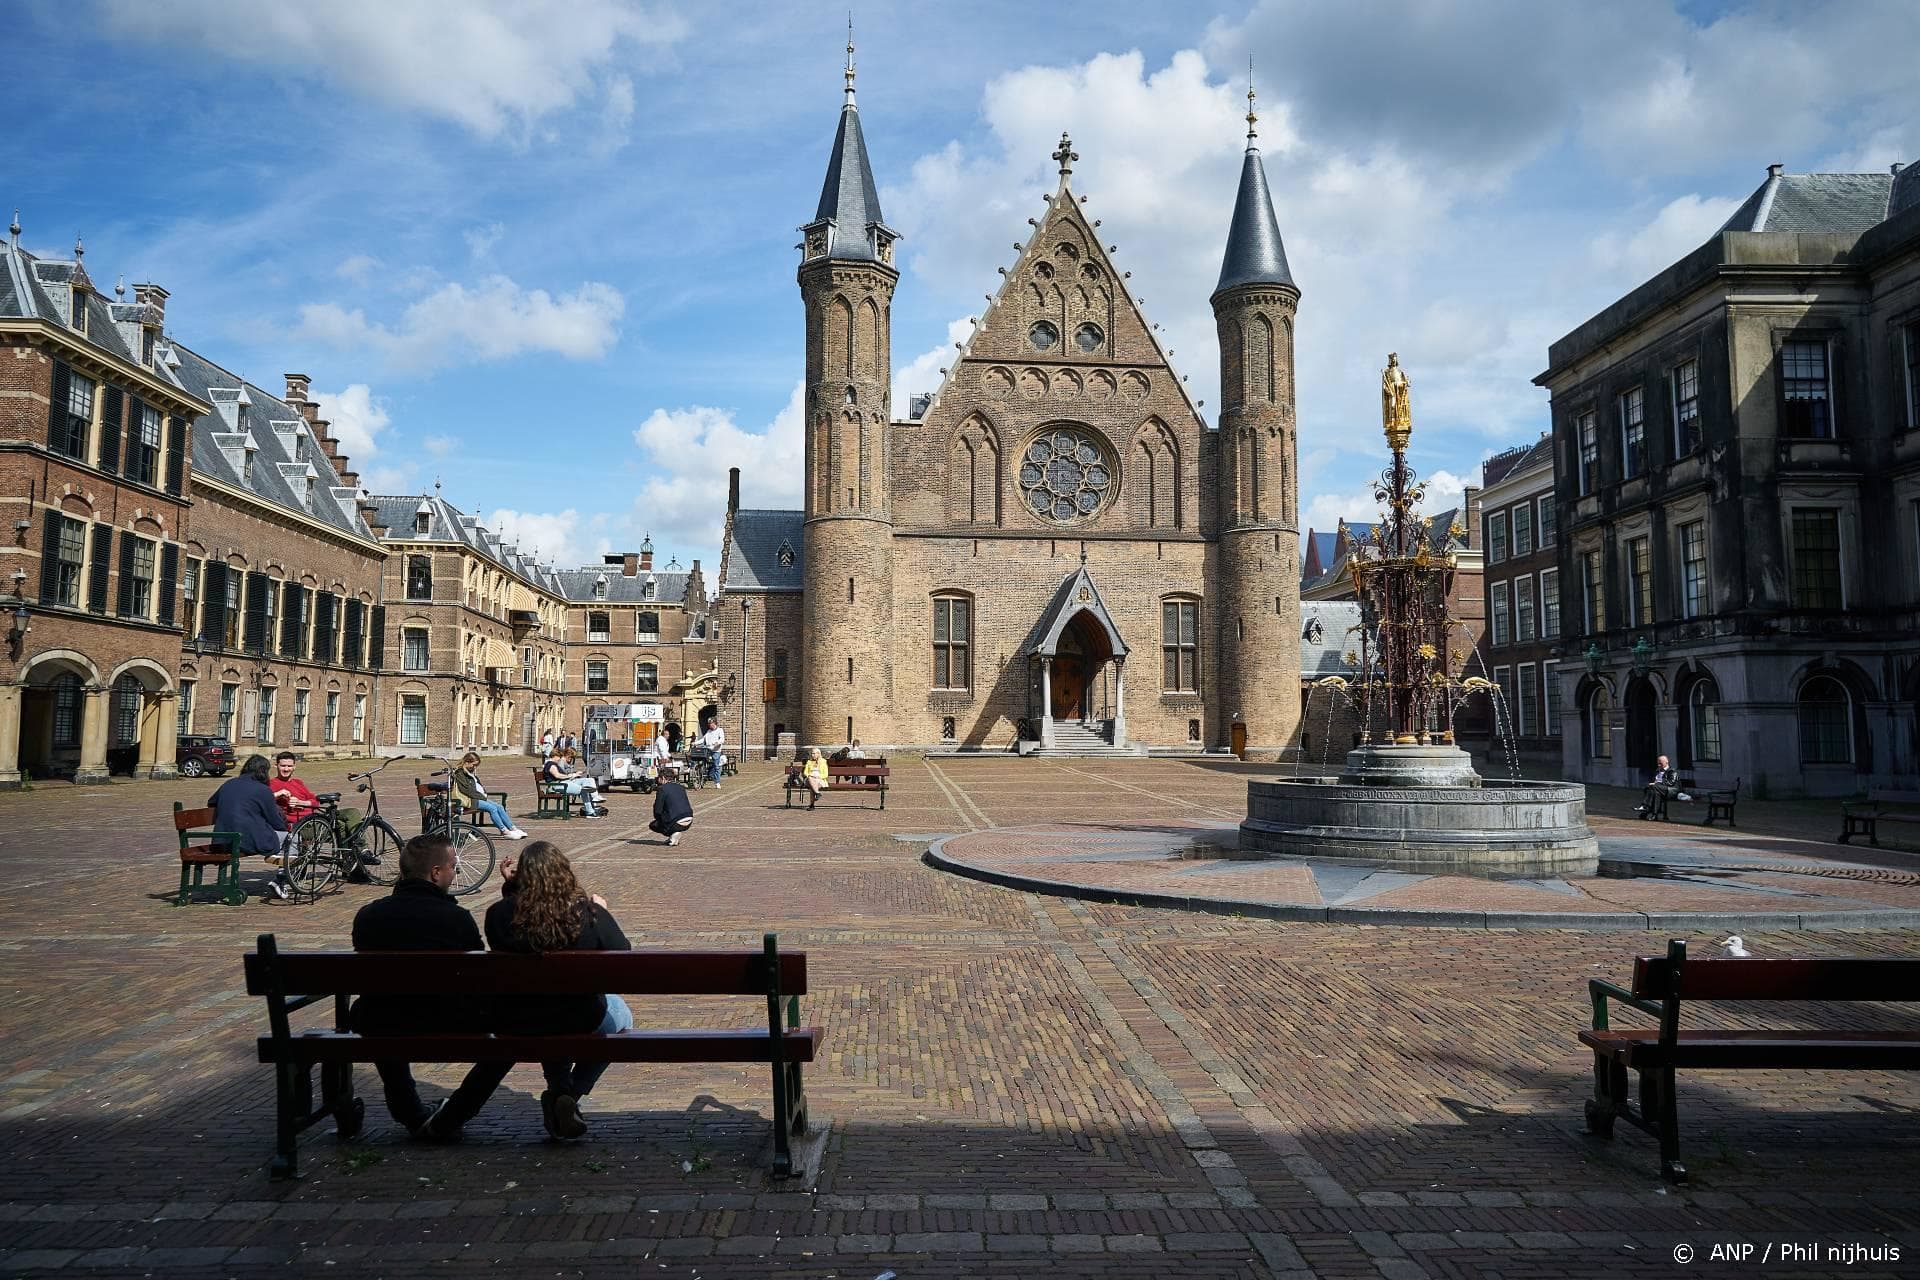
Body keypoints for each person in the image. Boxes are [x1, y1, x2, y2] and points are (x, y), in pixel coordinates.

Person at [350, 834, 509, 1139]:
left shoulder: (370, 915)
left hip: (381, 1018)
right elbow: (481, 977)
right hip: (452, 1018)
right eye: (453, 867)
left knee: (382, 1012)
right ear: (436, 873)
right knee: (513, 1035)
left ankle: (408, 1110)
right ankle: (454, 1114)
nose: (455, 873)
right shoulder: (456, 919)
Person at [484, 842, 632, 1140]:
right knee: (621, 1018)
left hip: (521, 1016)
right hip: (579, 1016)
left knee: (548, 1008)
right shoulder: (589, 914)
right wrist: (602, 912)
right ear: (565, 873)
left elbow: (506, 929)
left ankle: (560, 1092)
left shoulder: (499, 915)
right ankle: (568, 1095)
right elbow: (623, 957)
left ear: (522, 877)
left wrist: (511, 891)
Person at [210, 753, 292, 901]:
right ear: (263, 772)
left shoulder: (229, 783)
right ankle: (281, 879)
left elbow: (211, 802)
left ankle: (281, 868)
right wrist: (286, 829)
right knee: (293, 839)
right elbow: (275, 822)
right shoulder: (263, 790)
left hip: (223, 839)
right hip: (247, 840)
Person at [270, 751, 371, 862]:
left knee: (352, 812)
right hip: (300, 825)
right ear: (276, 765)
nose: (286, 769)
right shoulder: (272, 784)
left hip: (315, 818)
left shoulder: (298, 782)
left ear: (294, 767)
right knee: (341, 826)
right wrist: (277, 794)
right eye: (283, 766)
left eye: (289, 766)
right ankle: (350, 863)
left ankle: (362, 850)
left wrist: (301, 802)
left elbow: (315, 801)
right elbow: (263, 800)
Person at [454, 752, 528, 839]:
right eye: (473, 765)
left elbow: (477, 785)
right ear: (466, 762)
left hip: (478, 797)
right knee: (492, 808)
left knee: (499, 807)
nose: (475, 767)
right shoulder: (460, 773)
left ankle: (512, 828)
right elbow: (466, 790)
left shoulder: (469, 772)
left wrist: (483, 794)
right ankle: (504, 831)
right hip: (469, 800)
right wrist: (482, 797)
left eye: (476, 765)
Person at [542, 747, 605, 817]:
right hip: (558, 785)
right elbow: (558, 775)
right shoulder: (550, 764)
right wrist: (572, 775)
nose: (560, 759)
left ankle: (595, 797)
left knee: (588, 781)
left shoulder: (552, 764)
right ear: (555, 756)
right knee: (584, 790)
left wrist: (574, 775)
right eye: (559, 757)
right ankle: (590, 811)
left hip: (564, 783)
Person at [649, 778, 693, 845]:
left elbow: (657, 810)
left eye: (658, 778)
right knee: (670, 816)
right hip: (689, 819)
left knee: (653, 825)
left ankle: (674, 833)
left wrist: (659, 819)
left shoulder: (662, 788)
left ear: (663, 778)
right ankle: (673, 837)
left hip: (675, 822)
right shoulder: (680, 787)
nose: (657, 780)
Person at [699, 719, 726, 787]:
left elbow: (722, 739)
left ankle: (717, 782)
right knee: (702, 759)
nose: (709, 725)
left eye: (710, 724)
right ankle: (703, 775)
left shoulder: (720, 730)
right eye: (709, 724)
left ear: (714, 723)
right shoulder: (708, 731)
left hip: (716, 750)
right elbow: (703, 739)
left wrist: (717, 742)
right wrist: (695, 743)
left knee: (716, 766)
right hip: (708, 749)